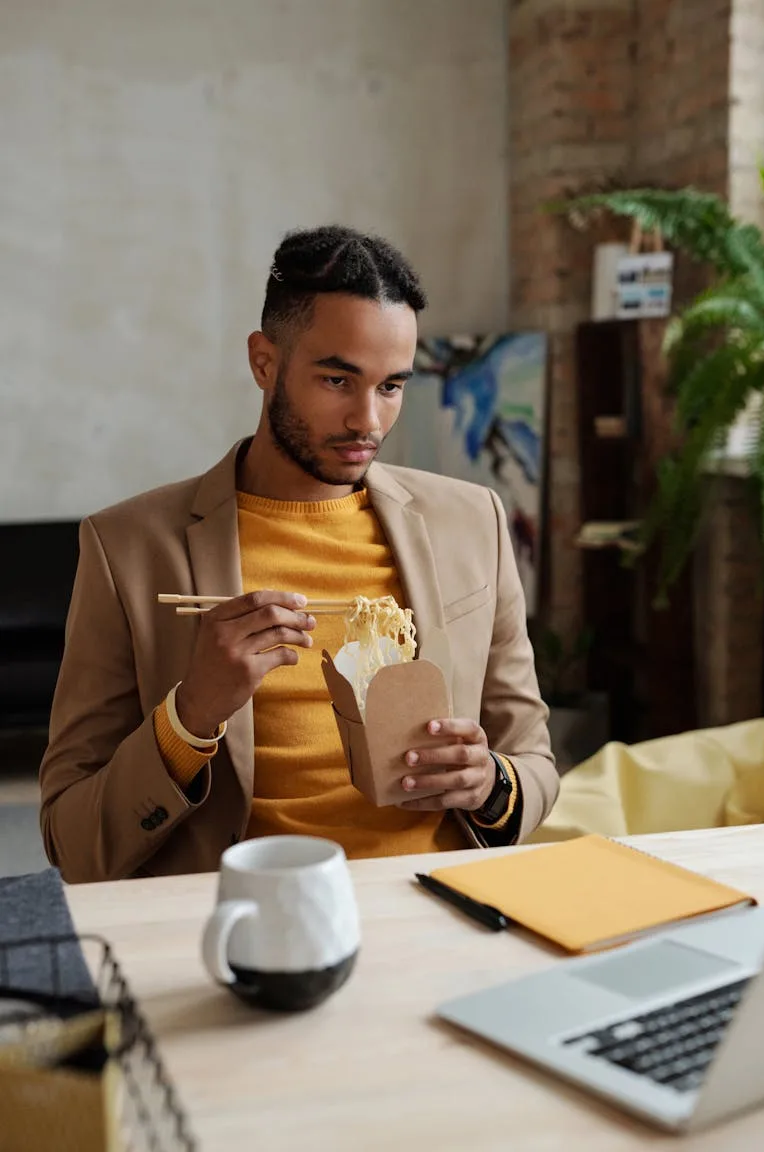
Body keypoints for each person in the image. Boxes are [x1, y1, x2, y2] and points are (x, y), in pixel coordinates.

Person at [39, 225, 558, 883]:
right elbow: (71, 840)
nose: (368, 421)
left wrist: (487, 783)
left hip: (438, 898)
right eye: (338, 379)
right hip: (252, 909)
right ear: (264, 362)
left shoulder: (472, 521)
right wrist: (190, 715)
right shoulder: (128, 549)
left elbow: (535, 765)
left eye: (391, 386)